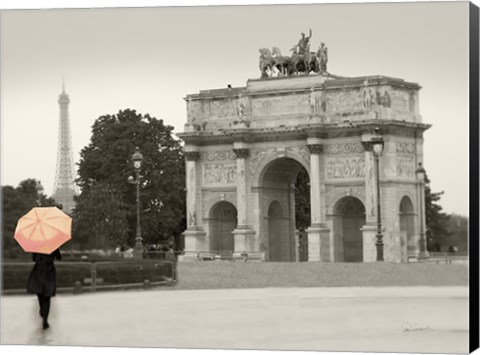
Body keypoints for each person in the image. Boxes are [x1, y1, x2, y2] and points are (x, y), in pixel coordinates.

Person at [27, 248, 62, 329]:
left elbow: (33, 258)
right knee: (47, 295)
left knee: (39, 292)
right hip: (49, 270)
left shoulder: (36, 244)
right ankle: (45, 318)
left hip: (38, 269)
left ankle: (42, 310)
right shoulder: (53, 244)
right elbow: (59, 257)